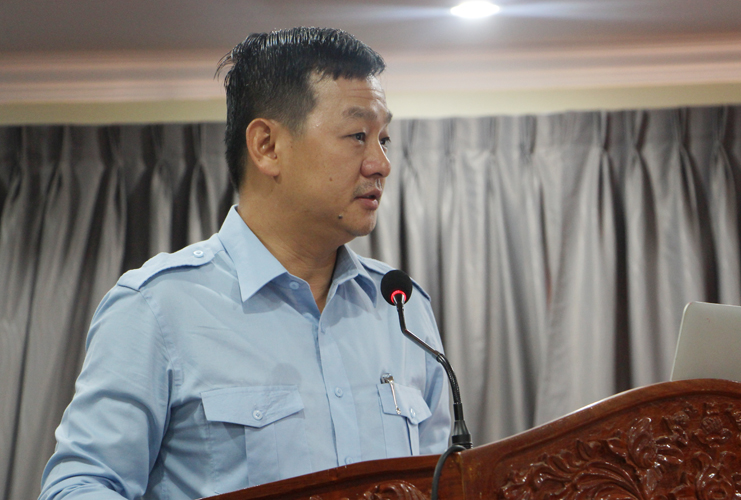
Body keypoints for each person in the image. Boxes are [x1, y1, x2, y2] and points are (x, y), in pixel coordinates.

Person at [39, 27, 451, 500]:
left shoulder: (402, 307)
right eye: (358, 136)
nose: (381, 164)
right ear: (267, 146)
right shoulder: (157, 307)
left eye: (384, 139)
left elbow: (447, 481)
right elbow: (78, 487)